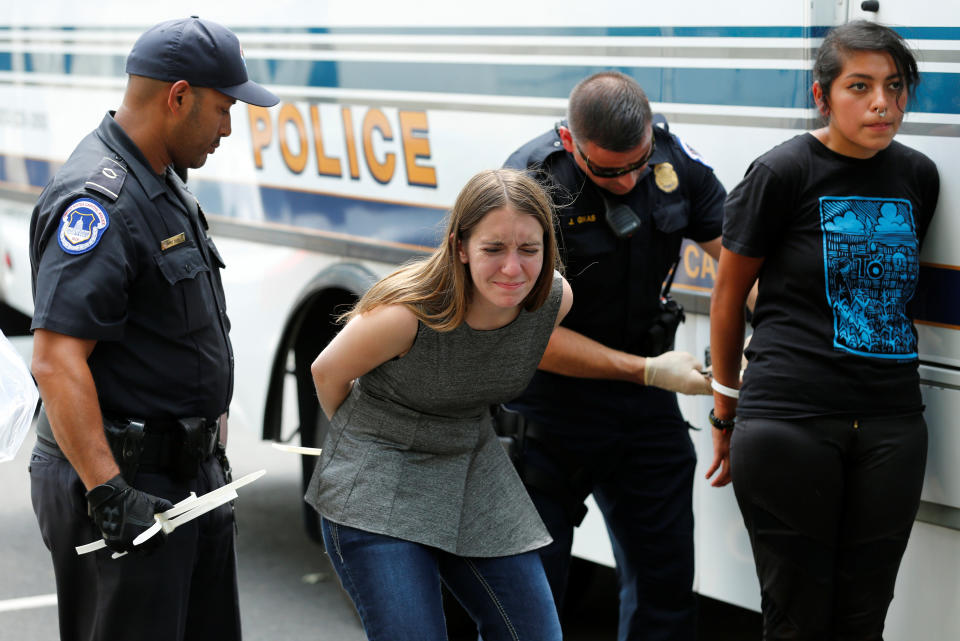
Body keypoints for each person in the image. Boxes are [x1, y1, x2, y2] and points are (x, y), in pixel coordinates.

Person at [28, 17, 278, 641]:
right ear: (178, 96)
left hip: (185, 481)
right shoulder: (99, 200)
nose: (227, 128)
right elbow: (57, 359)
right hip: (126, 483)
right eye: (224, 109)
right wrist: (109, 493)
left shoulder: (160, 179)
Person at [706, 20, 938, 641]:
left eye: (894, 86)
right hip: (791, 421)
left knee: (864, 619)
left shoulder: (917, 175)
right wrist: (726, 410)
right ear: (821, 95)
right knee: (797, 620)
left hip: (891, 422)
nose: (881, 103)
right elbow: (727, 300)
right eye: (859, 86)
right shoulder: (781, 172)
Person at [306, 168, 573, 641]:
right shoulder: (405, 315)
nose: (513, 268)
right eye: (493, 249)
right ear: (459, 247)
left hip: (472, 461)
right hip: (380, 474)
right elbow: (326, 373)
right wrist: (363, 449)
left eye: (529, 249)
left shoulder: (554, 298)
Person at [504, 71, 723, 641]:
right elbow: (527, 334)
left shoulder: (675, 161)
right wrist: (649, 370)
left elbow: (742, 258)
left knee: (666, 594)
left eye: (637, 164)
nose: (627, 181)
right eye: (607, 170)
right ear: (571, 141)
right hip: (547, 412)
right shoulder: (528, 186)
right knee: (531, 605)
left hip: (643, 408)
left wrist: (764, 326)